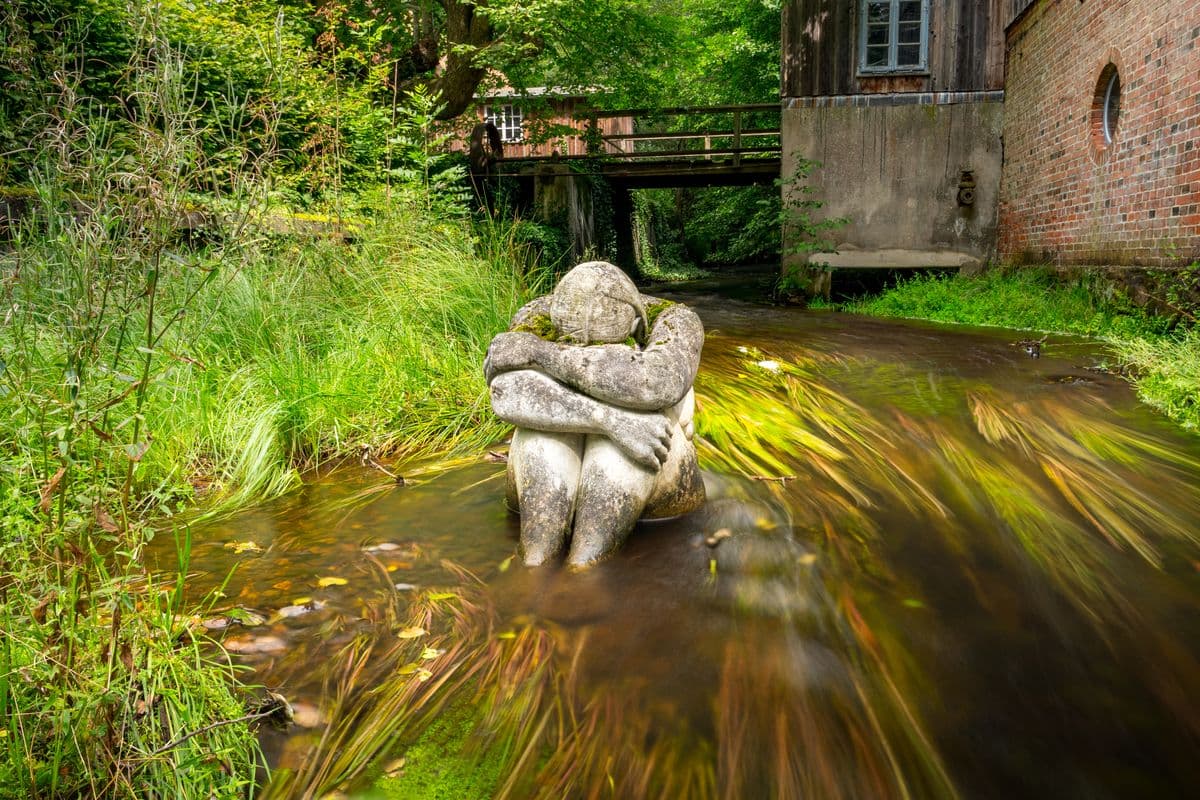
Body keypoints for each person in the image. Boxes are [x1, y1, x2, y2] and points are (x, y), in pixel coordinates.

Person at [485, 261, 706, 567]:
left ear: (631, 328)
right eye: (570, 341)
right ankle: (541, 559)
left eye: (606, 346)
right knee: (543, 438)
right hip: (588, 445)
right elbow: (504, 391)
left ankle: (581, 565)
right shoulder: (539, 313)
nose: (582, 346)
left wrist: (539, 353)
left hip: (651, 468)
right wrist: (610, 420)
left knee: (626, 444)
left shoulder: (676, 321)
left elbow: (654, 383)